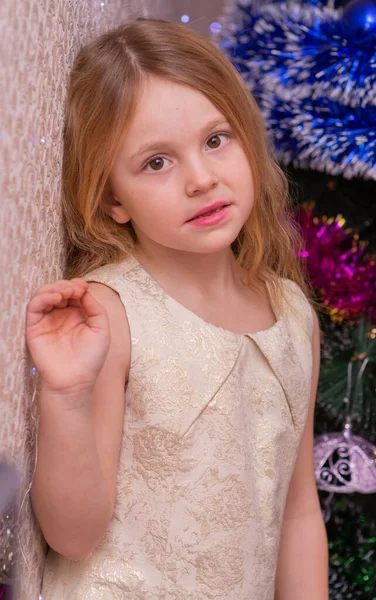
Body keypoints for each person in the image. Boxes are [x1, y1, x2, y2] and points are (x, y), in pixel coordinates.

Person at [25, 18, 329, 600]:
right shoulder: (110, 314)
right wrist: (65, 393)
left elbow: (296, 514)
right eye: (156, 163)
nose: (201, 179)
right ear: (114, 197)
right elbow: (72, 536)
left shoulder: (293, 314)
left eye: (216, 140)